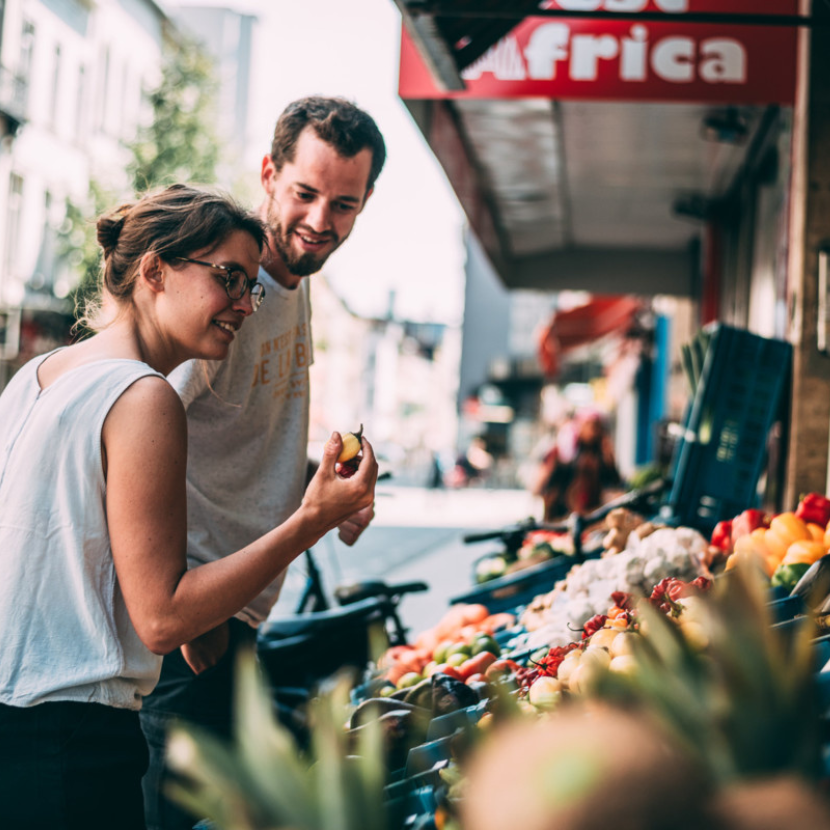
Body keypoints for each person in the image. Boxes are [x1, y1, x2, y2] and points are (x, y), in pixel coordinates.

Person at [0, 184, 378, 830]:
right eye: (228, 278)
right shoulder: (144, 396)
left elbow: (75, 551)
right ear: (153, 270)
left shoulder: (40, 376)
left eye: (251, 286)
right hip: (72, 747)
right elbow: (162, 618)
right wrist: (310, 520)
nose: (243, 304)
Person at [140, 96, 387, 830]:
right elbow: (132, 438)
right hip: (195, 629)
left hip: (237, 613)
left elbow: (231, 430)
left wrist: (331, 486)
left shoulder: (291, 280)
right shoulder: (226, 291)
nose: (320, 220)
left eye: (344, 204)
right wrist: (188, 617)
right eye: (305, 194)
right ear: (269, 173)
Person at [532, 409, 621, 521]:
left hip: (590, 517)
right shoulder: (563, 450)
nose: (592, 430)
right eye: (588, 424)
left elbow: (614, 483)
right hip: (560, 516)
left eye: (596, 425)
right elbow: (541, 484)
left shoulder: (602, 453)